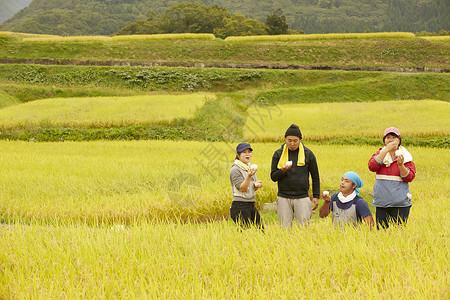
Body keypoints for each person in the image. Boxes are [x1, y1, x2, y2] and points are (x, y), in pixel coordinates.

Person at [271, 124, 320, 228]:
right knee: (284, 229)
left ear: (300, 140)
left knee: (303, 228)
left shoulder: (308, 154)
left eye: (295, 140)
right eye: (289, 140)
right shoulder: (278, 154)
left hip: (302, 196)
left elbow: (315, 176)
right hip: (283, 196)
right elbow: (273, 176)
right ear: (285, 139)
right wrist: (283, 170)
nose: (292, 143)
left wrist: (316, 196)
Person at [368, 127, 416, 229]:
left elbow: (410, 177)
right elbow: (372, 167)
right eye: (388, 137)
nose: (390, 140)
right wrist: (385, 151)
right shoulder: (379, 154)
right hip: (382, 202)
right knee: (382, 233)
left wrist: (400, 165)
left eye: (394, 137)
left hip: (400, 203)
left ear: (399, 140)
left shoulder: (406, 156)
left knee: (398, 234)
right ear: (384, 140)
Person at [229, 143, 264, 230]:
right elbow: (242, 188)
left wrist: (255, 186)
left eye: (249, 152)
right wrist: (249, 176)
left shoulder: (250, 167)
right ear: (238, 155)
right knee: (245, 234)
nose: (247, 154)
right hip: (240, 205)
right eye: (244, 152)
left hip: (251, 204)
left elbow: (249, 187)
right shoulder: (235, 169)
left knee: (261, 231)